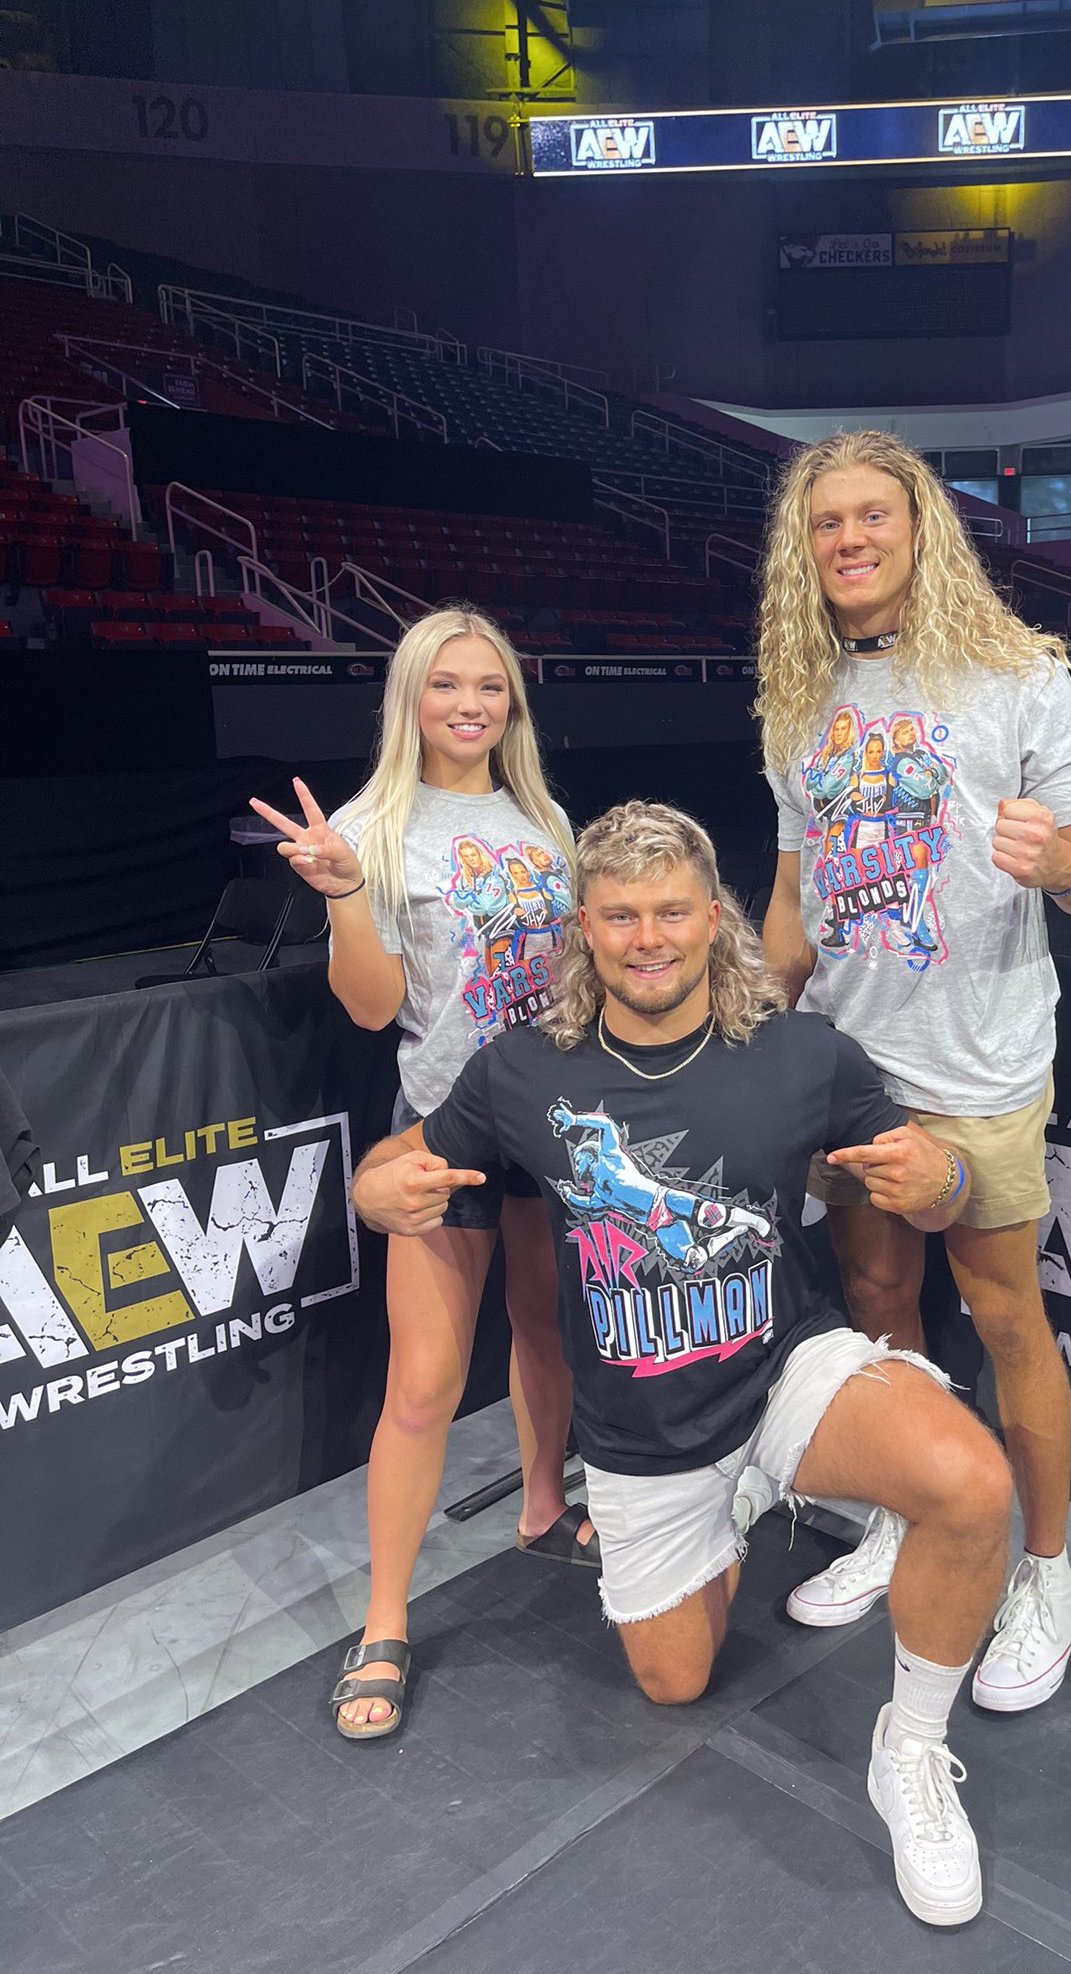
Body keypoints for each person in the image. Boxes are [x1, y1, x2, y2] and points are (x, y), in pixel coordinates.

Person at [349, 802, 1015, 1927]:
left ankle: (909, 1750)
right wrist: (377, 1193)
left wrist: (940, 1183)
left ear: (714, 918)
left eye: (669, 912)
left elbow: (940, 1184)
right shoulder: (524, 1071)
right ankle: (737, 1499)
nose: (647, 937)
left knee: (971, 1482)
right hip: (641, 1430)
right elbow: (394, 1165)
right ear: (587, 928)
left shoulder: (802, 1053)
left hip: (785, 1367)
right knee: (675, 1683)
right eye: (620, 915)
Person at [756, 431, 1071, 1713]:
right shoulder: (797, 692)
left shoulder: (1018, 674)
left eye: (872, 514)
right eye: (826, 522)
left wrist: (1060, 864)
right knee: (875, 1294)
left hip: (980, 1062)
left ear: (920, 527)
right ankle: (900, 1517)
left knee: (1006, 1314)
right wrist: (758, 1026)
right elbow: (794, 894)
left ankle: (1047, 1572)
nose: (849, 538)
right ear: (803, 547)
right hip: (850, 1063)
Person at [249, 603, 595, 1743]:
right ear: (410, 697)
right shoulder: (370, 825)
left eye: (489, 685)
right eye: (446, 684)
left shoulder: (543, 816)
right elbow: (372, 1007)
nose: (469, 704)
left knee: (546, 1330)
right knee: (424, 1382)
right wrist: (345, 893)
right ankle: (385, 1619)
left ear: (512, 701)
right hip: (448, 1126)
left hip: (550, 1115)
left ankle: (544, 1503)